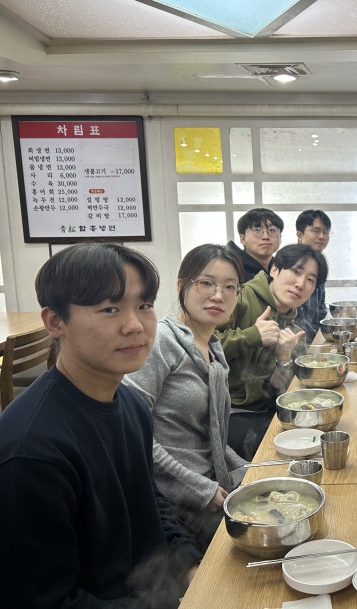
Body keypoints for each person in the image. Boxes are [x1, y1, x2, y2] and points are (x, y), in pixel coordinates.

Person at [0, 243, 201, 608]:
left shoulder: (130, 405)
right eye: (109, 309)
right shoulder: (29, 455)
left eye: (144, 305)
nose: (135, 325)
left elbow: (150, 509)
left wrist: (191, 568)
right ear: (55, 322)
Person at [124, 244, 249, 552]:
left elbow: (213, 438)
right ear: (182, 286)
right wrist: (199, 489)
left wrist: (252, 470)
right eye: (206, 283)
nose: (218, 295)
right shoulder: (162, 341)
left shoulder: (214, 349)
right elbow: (130, 430)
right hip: (172, 505)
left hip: (209, 487)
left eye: (229, 287)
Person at [217, 244, 328, 460]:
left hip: (266, 413)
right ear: (274, 269)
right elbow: (203, 345)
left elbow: (280, 392)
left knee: (321, 434)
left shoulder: (294, 326)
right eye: (295, 272)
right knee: (298, 451)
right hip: (230, 413)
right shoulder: (240, 297)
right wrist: (252, 335)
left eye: (310, 280)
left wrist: (284, 359)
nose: (300, 284)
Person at [295, 209, 331, 343]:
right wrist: (317, 339)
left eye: (326, 232)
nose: (322, 236)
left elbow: (321, 308)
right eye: (316, 231)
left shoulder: (318, 263)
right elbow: (295, 315)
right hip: (297, 340)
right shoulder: (293, 263)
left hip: (314, 336)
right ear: (300, 235)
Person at [226, 207, 284, 282]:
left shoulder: (284, 268)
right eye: (257, 230)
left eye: (272, 230)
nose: (266, 237)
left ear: (280, 237)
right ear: (242, 239)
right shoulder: (230, 268)